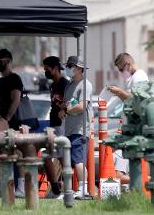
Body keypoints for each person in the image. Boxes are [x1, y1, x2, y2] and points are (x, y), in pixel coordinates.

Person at [59, 56, 93, 199]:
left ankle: (83, 188)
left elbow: (81, 106)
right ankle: (74, 189)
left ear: (79, 68)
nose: (69, 68)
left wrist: (66, 110)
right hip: (69, 129)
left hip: (80, 129)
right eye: (68, 65)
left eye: (71, 66)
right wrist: (62, 108)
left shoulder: (85, 84)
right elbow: (68, 104)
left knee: (78, 160)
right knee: (72, 161)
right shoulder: (70, 84)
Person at [42, 56, 68, 198]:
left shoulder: (65, 84)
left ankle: (67, 188)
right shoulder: (53, 85)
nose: (45, 72)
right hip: (53, 125)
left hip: (61, 126)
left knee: (63, 158)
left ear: (56, 68)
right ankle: (56, 188)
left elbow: (70, 104)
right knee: (47, 156)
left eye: (47, 69)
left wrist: (64, 111)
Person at [0, 49, 23, 130]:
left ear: (7, 61)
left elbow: (16, 100)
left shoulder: (14, 78)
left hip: (11, 124)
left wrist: (7, 119)